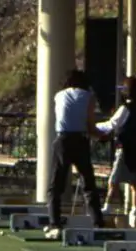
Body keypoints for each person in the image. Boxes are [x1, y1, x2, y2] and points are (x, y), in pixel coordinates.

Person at [46, 69, 107, 239]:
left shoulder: (58, 95)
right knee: (88, 184)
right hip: (80, 140)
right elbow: (90, 126)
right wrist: (102, 135)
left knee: (55, 185)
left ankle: (54, 224)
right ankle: (98, 224)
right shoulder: (88, 96)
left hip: (62, 140)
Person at [96, 76, 136, 228]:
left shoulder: (125, 109)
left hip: (125, 149)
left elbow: (111, 124)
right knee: (135, 183)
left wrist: (93, 126)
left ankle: (107, 207)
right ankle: (135, 211)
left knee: (113, 181)